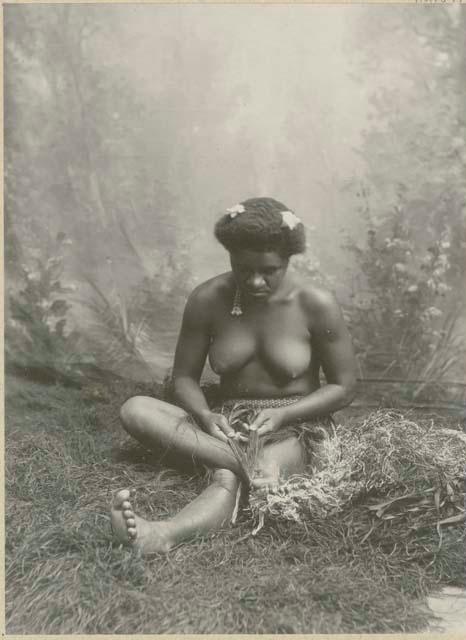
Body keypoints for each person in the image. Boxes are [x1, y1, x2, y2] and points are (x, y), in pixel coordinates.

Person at [111, 197, 357, 553]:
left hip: (299, 425)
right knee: (136, 409)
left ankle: (161, 534)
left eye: (269, 270)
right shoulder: (207, 299)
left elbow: (345, 387)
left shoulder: (315, 303)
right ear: (230, 256)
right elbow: (183, 378)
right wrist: (207, 415)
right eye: (243, 269)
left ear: (287, 259)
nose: (255, 281)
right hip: (228, 423)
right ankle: (250, 466)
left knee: (230, 473)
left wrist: (286, 414)